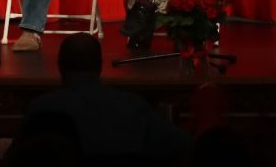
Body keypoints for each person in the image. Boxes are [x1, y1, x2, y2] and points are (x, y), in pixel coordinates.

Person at [22, 33, 190, 158]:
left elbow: (14, 160)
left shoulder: (43, 109)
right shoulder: (131, 107)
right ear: (100, 66)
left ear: (60, 67)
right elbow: (183, 145)